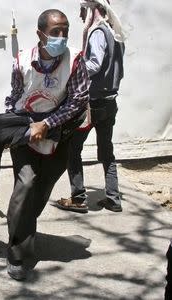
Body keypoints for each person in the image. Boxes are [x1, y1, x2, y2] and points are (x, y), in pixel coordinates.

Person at [4, 9, 90, 280]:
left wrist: (48, 124)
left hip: (59, 135)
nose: (61, 37)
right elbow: (15, 96)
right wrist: (12, 124)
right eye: (55, 32)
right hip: (26, 133)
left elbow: (77, 101)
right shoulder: (22, 61)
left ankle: (27, 225)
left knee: (43, 187)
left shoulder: (75, 60)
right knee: (26, 184)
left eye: (65, 31)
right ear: (41, 34)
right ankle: (17, 252)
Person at [55, 0, 126, 214]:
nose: (79, 16)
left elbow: (94, 64)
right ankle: (113, 198)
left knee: (72, 149)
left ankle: (78, 198)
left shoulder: (97, 32)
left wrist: (72, 67)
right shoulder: (115, 33)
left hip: (91, 105)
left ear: (92, 9)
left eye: (82, 10)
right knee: (107, 151)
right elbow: (118, 70)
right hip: (109, 103)